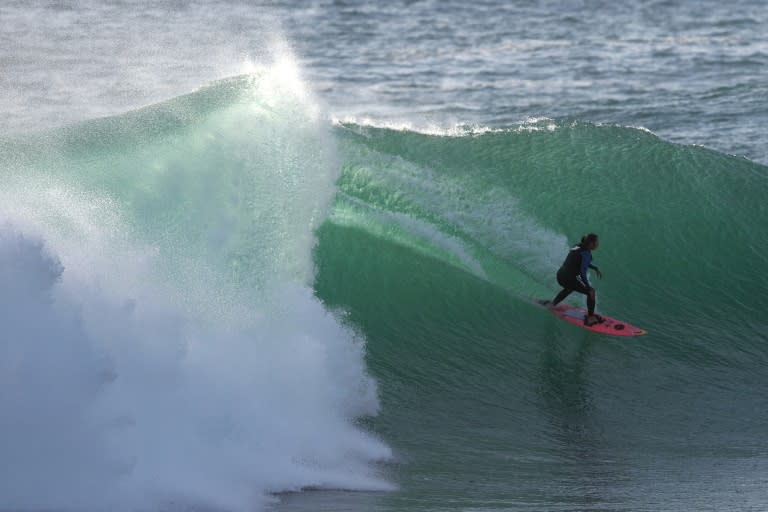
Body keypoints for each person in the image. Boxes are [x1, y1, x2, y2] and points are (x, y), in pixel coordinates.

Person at [547, 233, 603, 326]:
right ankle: (590, 318)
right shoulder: (586, 254)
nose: (598, 244)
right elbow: (582, 272)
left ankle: (552, 305)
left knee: (570, 288)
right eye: (596, 242)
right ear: (591, 244)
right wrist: (588, 288)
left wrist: (594, 267)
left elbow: (579, 261)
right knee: (591, 292)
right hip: (569, 278)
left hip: (561, 275)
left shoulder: (577, 246)